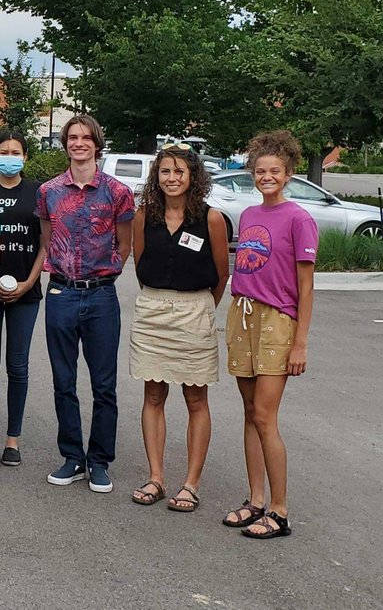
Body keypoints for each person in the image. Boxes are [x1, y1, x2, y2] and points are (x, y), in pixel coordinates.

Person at [221, 130, 316, 540]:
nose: (267, 177)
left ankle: (279, 511)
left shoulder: (299, 219)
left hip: (278, 321)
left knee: (264, 415)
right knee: (249, 412)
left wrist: (300, 343)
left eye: (275, 171)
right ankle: (256, 499)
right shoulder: (249, 215)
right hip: (243, 314)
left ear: (288, 173)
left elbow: (306, 287)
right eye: (260, 171)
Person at [35, 114, 134, 494]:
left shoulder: (117, 192)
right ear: (65, 144)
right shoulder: (48, 192)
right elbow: (48, 239)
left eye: (86, 137)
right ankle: (72, 457)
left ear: (97, 143)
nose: (79, 143)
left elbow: (124, 244)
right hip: (61, 294)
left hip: (101, 295)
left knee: (103, 384)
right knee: (63, 381)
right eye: (73, 137)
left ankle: (99, 461)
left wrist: (103, 276)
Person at [129, 143, 229, 511]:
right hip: (152, 311)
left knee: (195, 400)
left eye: (179, 172)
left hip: (194, 311)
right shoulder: (144, 216)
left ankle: (190, 484)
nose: (172, 178)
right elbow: (140, 265)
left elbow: (222, 274)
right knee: (153, 397)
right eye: (165, 171)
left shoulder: (211, 219)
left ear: (193, 177)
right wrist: (159, 301)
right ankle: (155, 477)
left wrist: (201, 310)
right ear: (156, 177)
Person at [0, 130, 45, 467]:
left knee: (18, 366)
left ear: (25, 157)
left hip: (25, 293)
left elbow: (46, 244)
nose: (10, 157)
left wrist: (28, 283)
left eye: (16, 152)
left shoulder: (39, 193)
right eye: (4, 151)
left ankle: (13, 439)